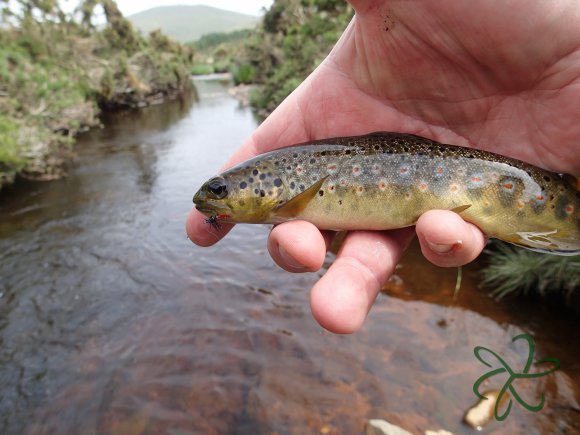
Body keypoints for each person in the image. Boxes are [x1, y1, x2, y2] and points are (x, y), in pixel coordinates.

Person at [186, 0, 580, 334]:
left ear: (268, 187)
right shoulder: (283, 185)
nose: (211, 198)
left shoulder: (287, 196)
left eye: (220, 191)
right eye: (218, 191)